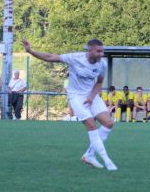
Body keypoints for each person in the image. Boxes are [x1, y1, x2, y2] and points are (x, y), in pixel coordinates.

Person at [21, 38, 117, 171]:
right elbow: (49, 57)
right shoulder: (74, 58)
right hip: (76, 96)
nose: (101, 54)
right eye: (98, 51)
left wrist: (91, 97)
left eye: (102, 51)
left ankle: (89, 155)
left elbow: (99, 83)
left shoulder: (102, 64)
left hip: (91, 95)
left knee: (109, 123)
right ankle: (106, 159)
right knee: (90, 123)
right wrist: (30, 50)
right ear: (89, 50)